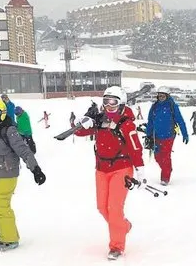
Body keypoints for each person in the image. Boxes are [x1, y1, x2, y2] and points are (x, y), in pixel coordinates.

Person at [72, 86, 145, 260]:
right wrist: (85, 120)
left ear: (121, 104)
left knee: (114, 209)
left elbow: (136, 148)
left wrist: (140, 170)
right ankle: (123, 226)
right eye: (106, 102)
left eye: (113, 102)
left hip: (121, 168)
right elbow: (80, 131)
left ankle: (117, 246)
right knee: (102, 207)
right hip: (101, 169)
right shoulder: (100, 119)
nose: (109, 106)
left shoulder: (126, 123)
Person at [0, 98, 46, 252]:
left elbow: (23, 150)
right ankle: (5, 237)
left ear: (2, 114)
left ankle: (11, 239)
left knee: (1, 204)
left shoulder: (9, 130)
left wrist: (35, 169)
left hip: (7, 173)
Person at [144, 86, 188, 186]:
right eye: (159, 96)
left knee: (166, 156)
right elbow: (150, 121)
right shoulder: (154, 106)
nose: (161, 98)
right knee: (157, 157)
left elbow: (180, 120)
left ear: (167, 96)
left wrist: (185, 134)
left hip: (169, 136)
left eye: (163, 96)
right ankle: (167, 168)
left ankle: (165, 177)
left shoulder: (172, 106)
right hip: (157, 136)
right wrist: (148, 134)